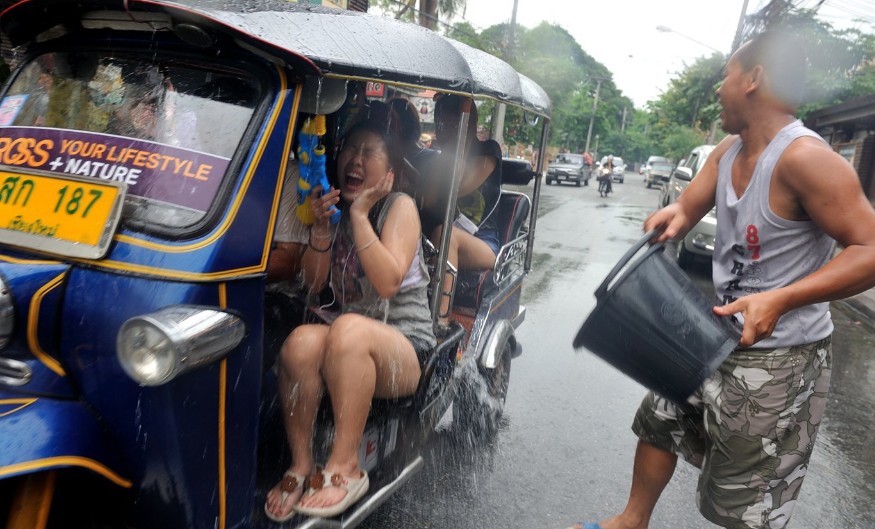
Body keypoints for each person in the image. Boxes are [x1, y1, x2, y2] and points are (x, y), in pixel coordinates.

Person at [565, 31, 875, 529]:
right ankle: (631, 521)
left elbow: (870, 249)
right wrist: (676, 215)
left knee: (744, 500)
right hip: (714, 333)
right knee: (660, 418)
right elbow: (689, 205)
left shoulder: (806, 159)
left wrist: (780, 299)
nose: (719, 89)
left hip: (781, 355)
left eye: (727, 75)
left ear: (754, 79)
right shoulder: (728, 151)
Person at [263, 116, 436, 521]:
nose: (355, 161)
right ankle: (302, 464)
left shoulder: (400, 207)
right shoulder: (333, 205)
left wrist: (360, 216)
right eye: (350, 151)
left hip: (406, 351)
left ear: (389, 172)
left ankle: (345, 467)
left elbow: (388, 281)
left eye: (369, 153)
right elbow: (313, 284)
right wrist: (322, 229)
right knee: (301, 342)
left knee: (348, 329)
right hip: (349, 344)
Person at [425, 94, 502, 319]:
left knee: (445, 234)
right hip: (445, 232)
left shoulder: (489, 151)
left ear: (467, 124)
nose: (443, 130)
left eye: (450, 124)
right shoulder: (441, 157)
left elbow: (459, 187)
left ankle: (439, 320)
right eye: (440, 123)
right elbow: (428, 200)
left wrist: (457, 147)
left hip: (483, 241)